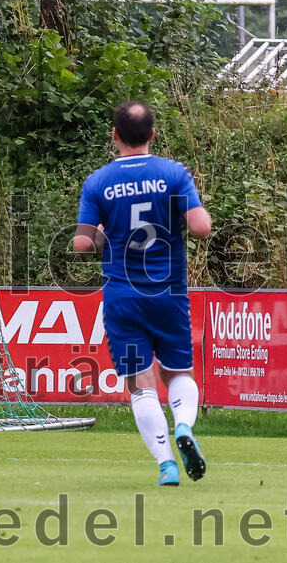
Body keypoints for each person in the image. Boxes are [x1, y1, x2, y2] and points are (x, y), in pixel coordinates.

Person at [74, 101, 212, 486]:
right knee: (178, 371)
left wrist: (105, 233)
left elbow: (83, 243)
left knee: (139, 383)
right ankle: (183, 425)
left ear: (115, 135)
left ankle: (167, 464)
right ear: (152, 133)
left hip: (123, 298)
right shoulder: (173, 173)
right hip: (168, 295)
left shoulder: (99, 181)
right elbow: (201, 227)